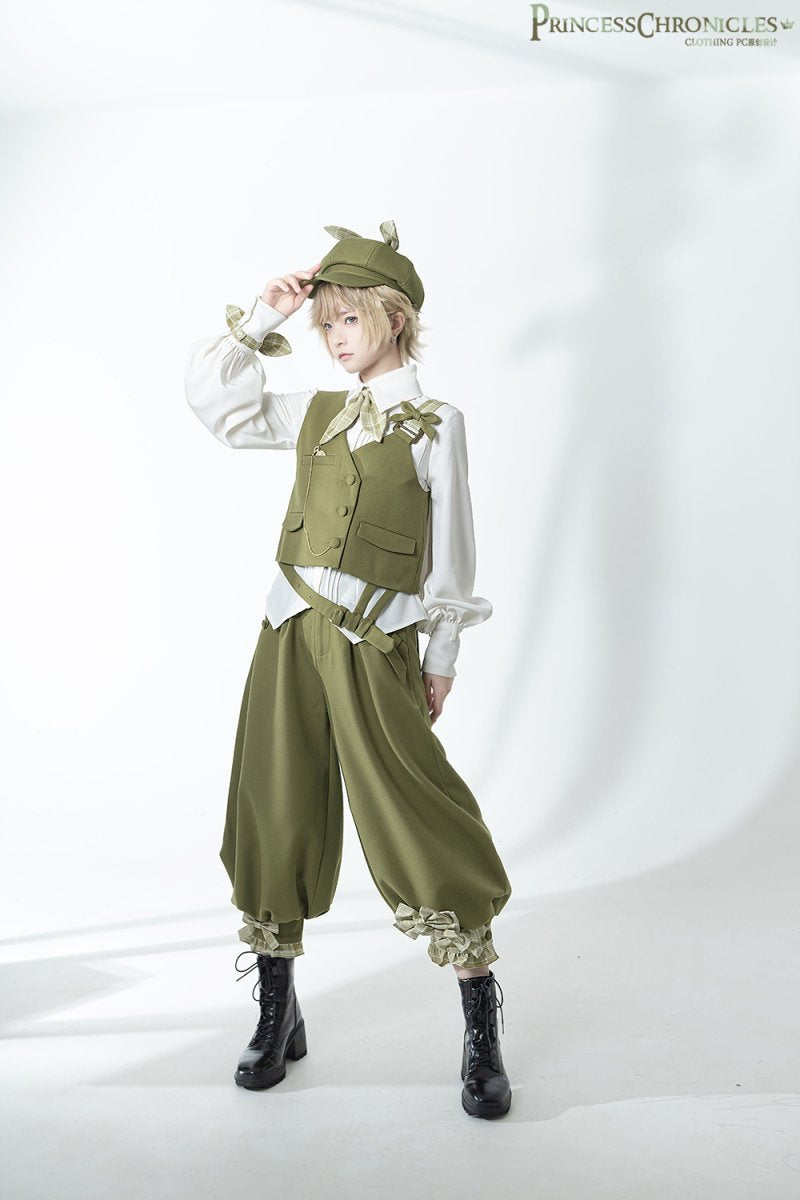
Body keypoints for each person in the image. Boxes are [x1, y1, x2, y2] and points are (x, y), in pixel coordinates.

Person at [184, 219, 514, 1119]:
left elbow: (453, 553)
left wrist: (441, 655)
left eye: (347, 319)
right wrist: (264, 315)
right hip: (289, 632)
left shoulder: (435, 424)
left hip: (377, 642)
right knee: (275, 802)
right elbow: (217, 405)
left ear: (394, 318)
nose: (332, 337)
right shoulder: (315, 412)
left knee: (416, 811)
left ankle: (480, 1019)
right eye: (324, 321)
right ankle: (277, 1006)